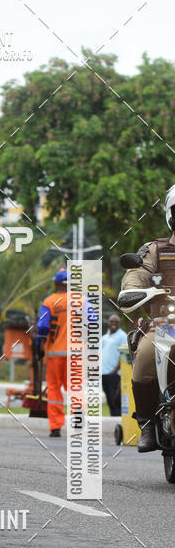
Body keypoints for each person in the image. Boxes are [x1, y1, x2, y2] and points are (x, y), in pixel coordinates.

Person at [119, 184, 175, 451]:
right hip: (166, 325)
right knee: (143, 358)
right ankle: (147, 425)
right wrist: (132, 290)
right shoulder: (156, 250)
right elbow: (137, 273)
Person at [36, 269, 70, 437]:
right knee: (77, 389)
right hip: (76, 355)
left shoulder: (49, 302)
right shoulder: (82, 301)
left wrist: (38, 344)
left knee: (54, 389)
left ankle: (56, 426)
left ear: (56, 284)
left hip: (54, 354)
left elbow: (42, 327)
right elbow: (91, 321)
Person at [101, 315, 127, 416]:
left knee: (115, 399)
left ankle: (118, 419)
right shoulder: (104, 337)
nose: (114, 324)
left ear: (119, 324)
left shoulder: (122, 336)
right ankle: (113, 419)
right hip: (104, 373)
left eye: (116, 322)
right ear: (108, 323)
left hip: (115, 374)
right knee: (109, 399)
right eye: (112, 321)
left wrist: (115, 370)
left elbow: (124, 354)